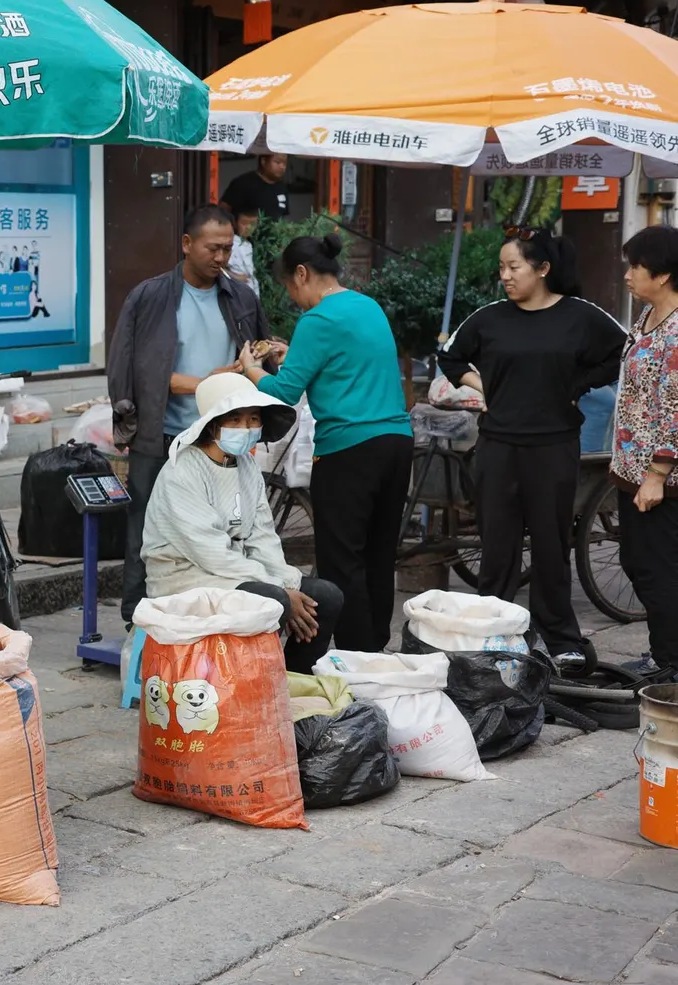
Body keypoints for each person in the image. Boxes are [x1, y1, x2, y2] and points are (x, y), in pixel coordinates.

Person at [438, 229, 624, 667]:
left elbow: (620, 353)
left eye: (513, 267)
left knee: (550, 544)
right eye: (501, 267)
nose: (505, 275)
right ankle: (493, 632)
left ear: (542, 269)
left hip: (554, 447)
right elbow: (450, 358)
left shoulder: (581, 315)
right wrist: (485, 385)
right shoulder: (489, 318)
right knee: (497, 545)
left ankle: (560, 638)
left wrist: (577, 384)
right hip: (498, 447)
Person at [239, 235, 412, 652]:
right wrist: (292, 351)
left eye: (289, 287)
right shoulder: (366, 307)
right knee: (378, 554)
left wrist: (250, 369)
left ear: (302, 274)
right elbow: (340, 363)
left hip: (349, 449)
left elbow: (283, 390)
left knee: (342, 558)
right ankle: (375, 645)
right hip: (397, 443)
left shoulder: (317, 321)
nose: (293, 297)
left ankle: (356, 653)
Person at [109, 205, 271, 624]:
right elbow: (135, 367)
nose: (221, 258)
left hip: (219, 437)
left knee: (222, 528)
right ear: (186, 244)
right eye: (212, 248)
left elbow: (257, 355)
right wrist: (206, 382)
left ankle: (209, 611)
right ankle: (138, 615)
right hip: (161, 432)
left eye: (227, 249)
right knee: (146, 527)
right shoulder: (151, 296)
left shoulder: (241, 296)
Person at [144, 372, 345, 672]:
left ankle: (289, 682)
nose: (246, 428)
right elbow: (209, 553)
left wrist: (287, 580)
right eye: (234, 420)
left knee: (326, 598)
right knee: (274, 600)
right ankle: (248, 684)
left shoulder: (247, 466)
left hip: (235, 569)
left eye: (253, 419)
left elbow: (262, 536)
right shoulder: (182, 471)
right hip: (183, 575)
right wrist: (279, 588)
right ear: (213, 424)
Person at [612, 225, 678, 681]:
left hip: (660, 478)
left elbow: (675, 409)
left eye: (636, 266)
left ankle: (670, 664)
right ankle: (663, 654)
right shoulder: (647, 317)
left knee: (658, 571)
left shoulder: (676, 330)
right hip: (630, 470)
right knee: (638, 563)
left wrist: (657, 473)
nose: (628, 275)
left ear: (664, 272)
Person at [221, 154, 290, 222]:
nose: (282, 167)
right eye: (278, 162)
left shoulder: (282, 187)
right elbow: (224, 209)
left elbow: (283, 215)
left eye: (285, 163)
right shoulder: (243, 183)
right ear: (263, 161)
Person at [226, 204, 261, 298]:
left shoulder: (249, 245)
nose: (248, 227)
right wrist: (235, 277)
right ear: (236, 223)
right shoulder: (230, 242)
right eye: (244, 223)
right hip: (236, 293)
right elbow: (219, 269)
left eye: (252, 224)